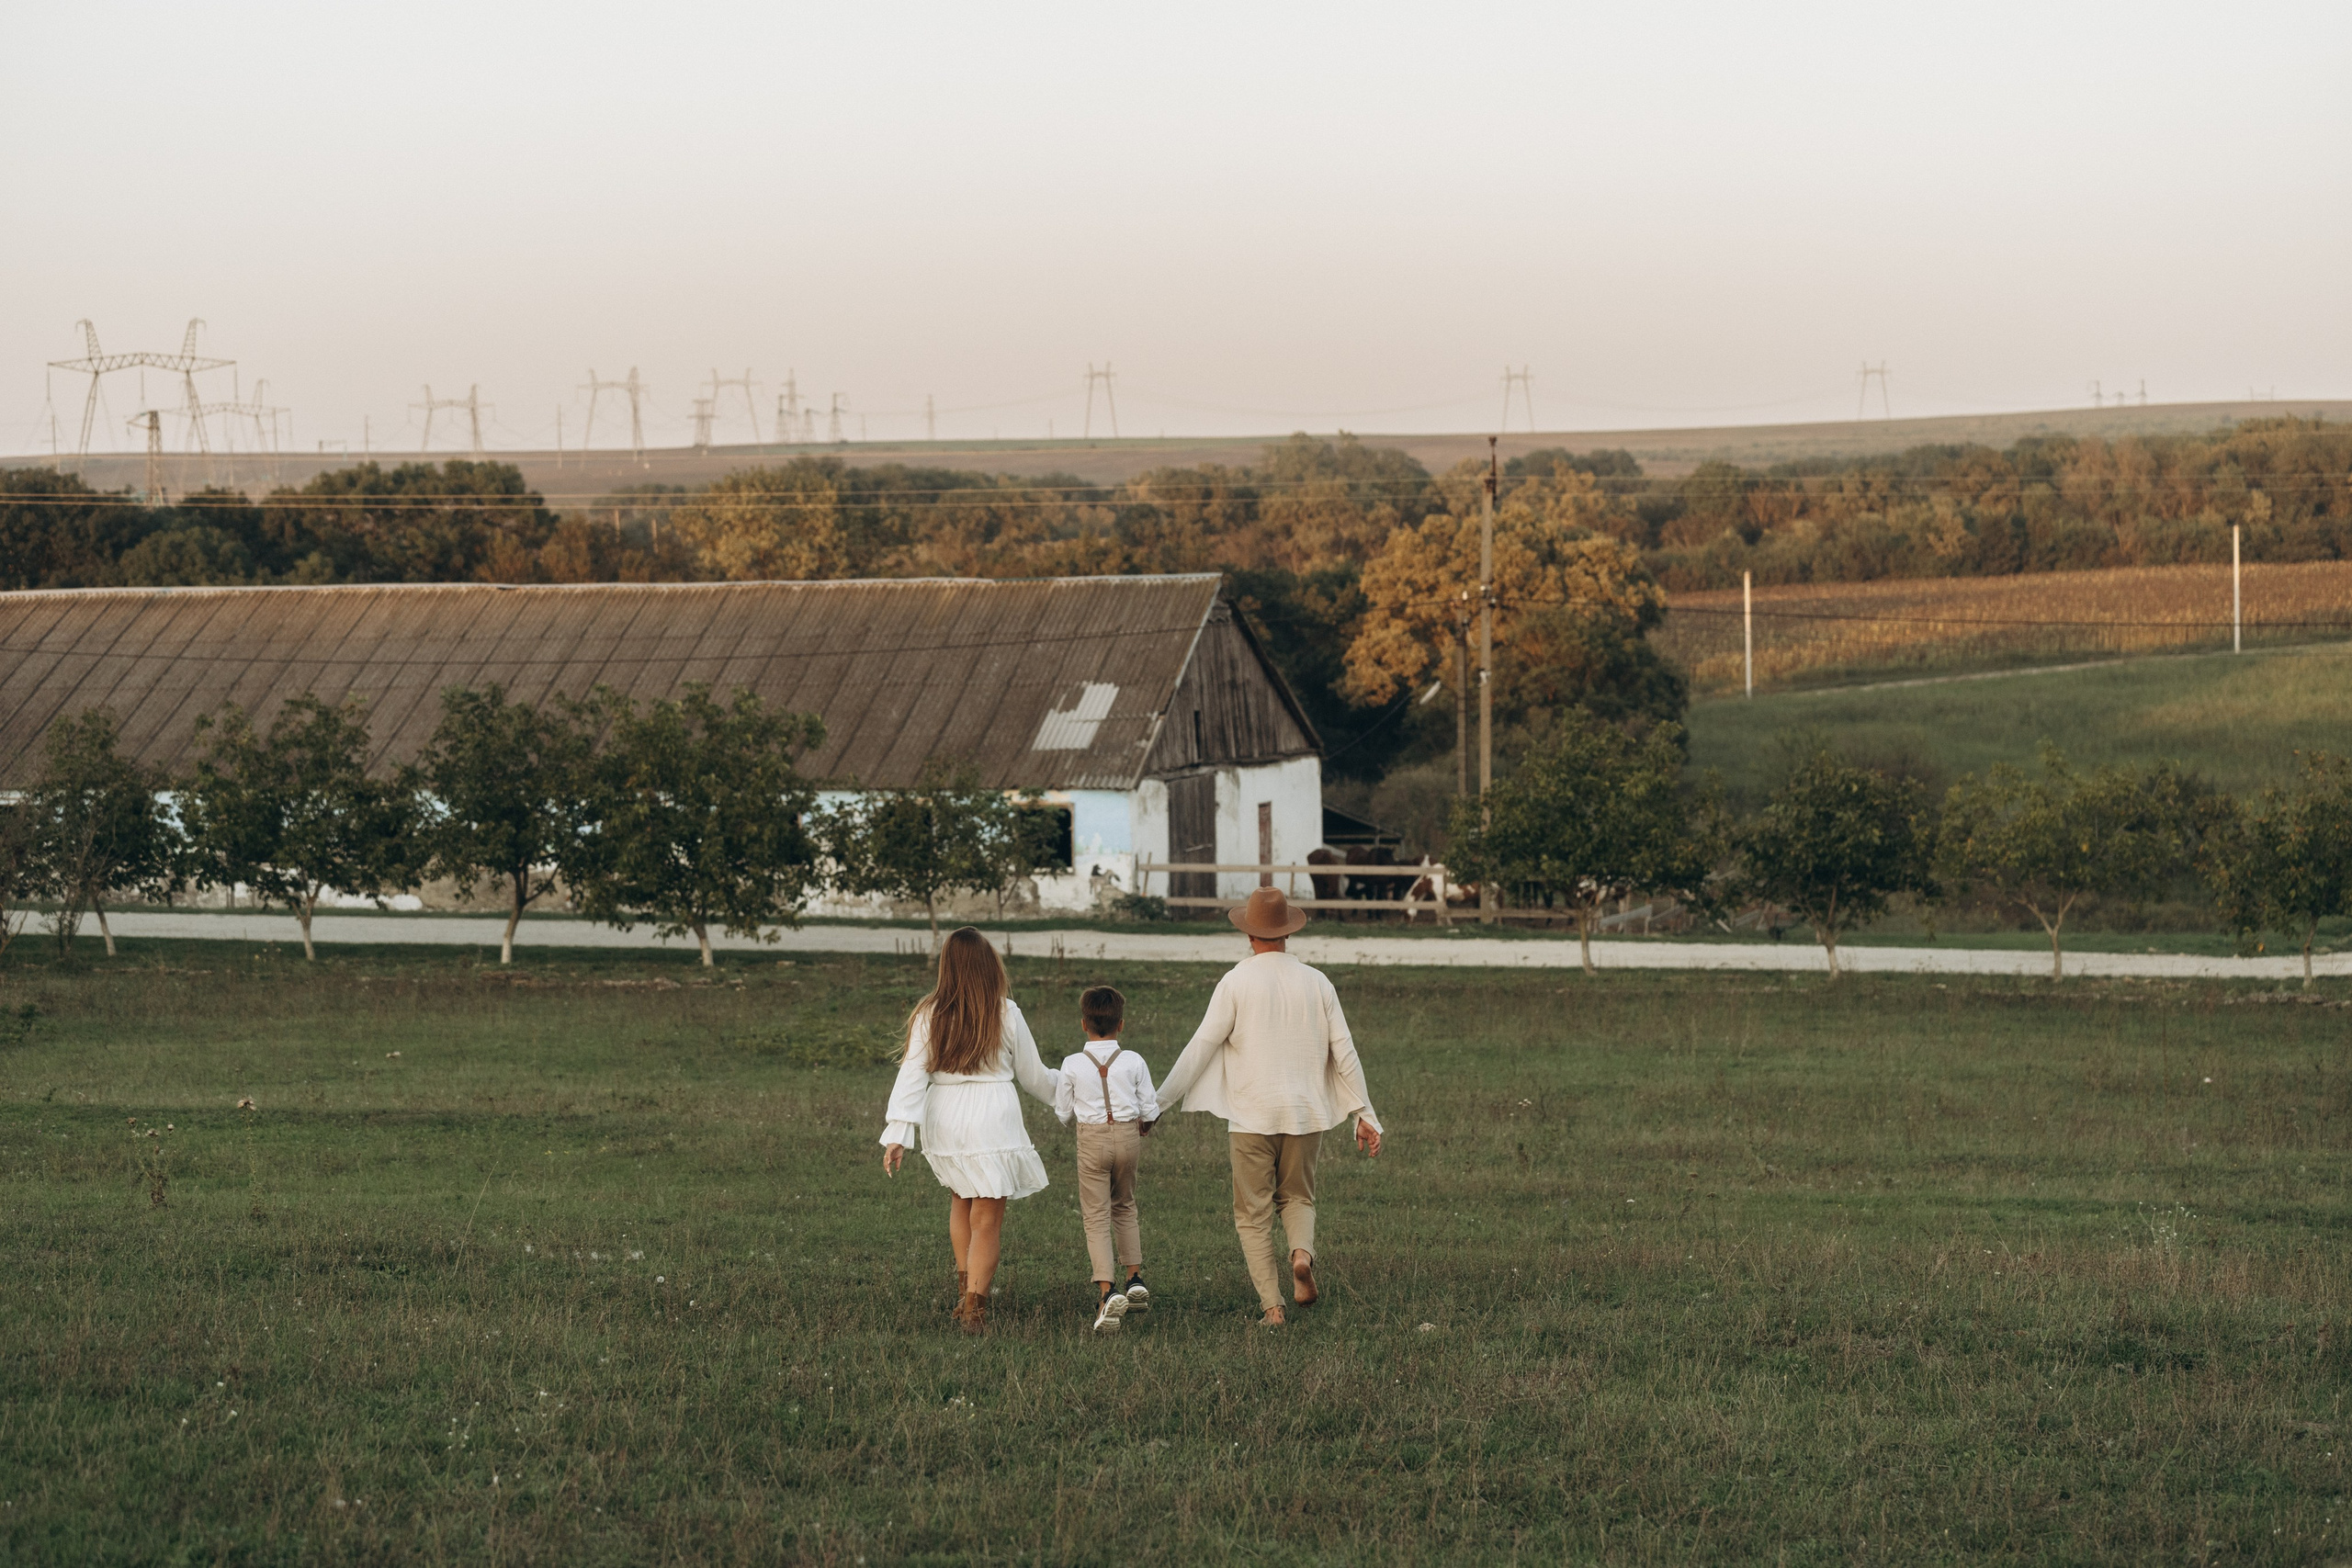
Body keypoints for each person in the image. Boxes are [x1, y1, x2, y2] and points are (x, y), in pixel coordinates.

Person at [1155, 886, 1384, 1327]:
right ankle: (1301, 1255)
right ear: (1287, 934)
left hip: (1250, 1117)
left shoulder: (1236, 981)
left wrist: (1160, 1102)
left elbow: (1202, 1045)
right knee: (1298, 1197)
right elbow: (1346, 1051)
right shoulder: (1318, 982)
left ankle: (1272, 1308)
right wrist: (1364, 1114)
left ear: (1249, 935)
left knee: (1253, 1214)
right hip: (1305, 1115)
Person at [879, 927, 1057, 1332]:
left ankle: (966, 1296)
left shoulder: (930, 1012)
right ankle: (974, 1308)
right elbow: (1033, 1077)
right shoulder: (1006, 1011)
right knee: (987, 1218)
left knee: (962, 1199)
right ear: (989, 965)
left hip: (945, 1117)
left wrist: (898, 1132)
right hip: (992, 1115)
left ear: (947, 967)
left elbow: (912, 1074)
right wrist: (1071, 1097)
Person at [1052, 985, 1162, 1334]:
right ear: (1122, 1025)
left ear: (1083, 1024)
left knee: (1096, 1215)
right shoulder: (1133, 1060)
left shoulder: (1072, 1064)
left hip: (1092, 1140)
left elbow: (1063, 1114)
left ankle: (1106, 1291)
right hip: (1128, 1138)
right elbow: (1150, 1108)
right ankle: (1134, 1277)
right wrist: (1142, 1125)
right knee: (1125, 1205)